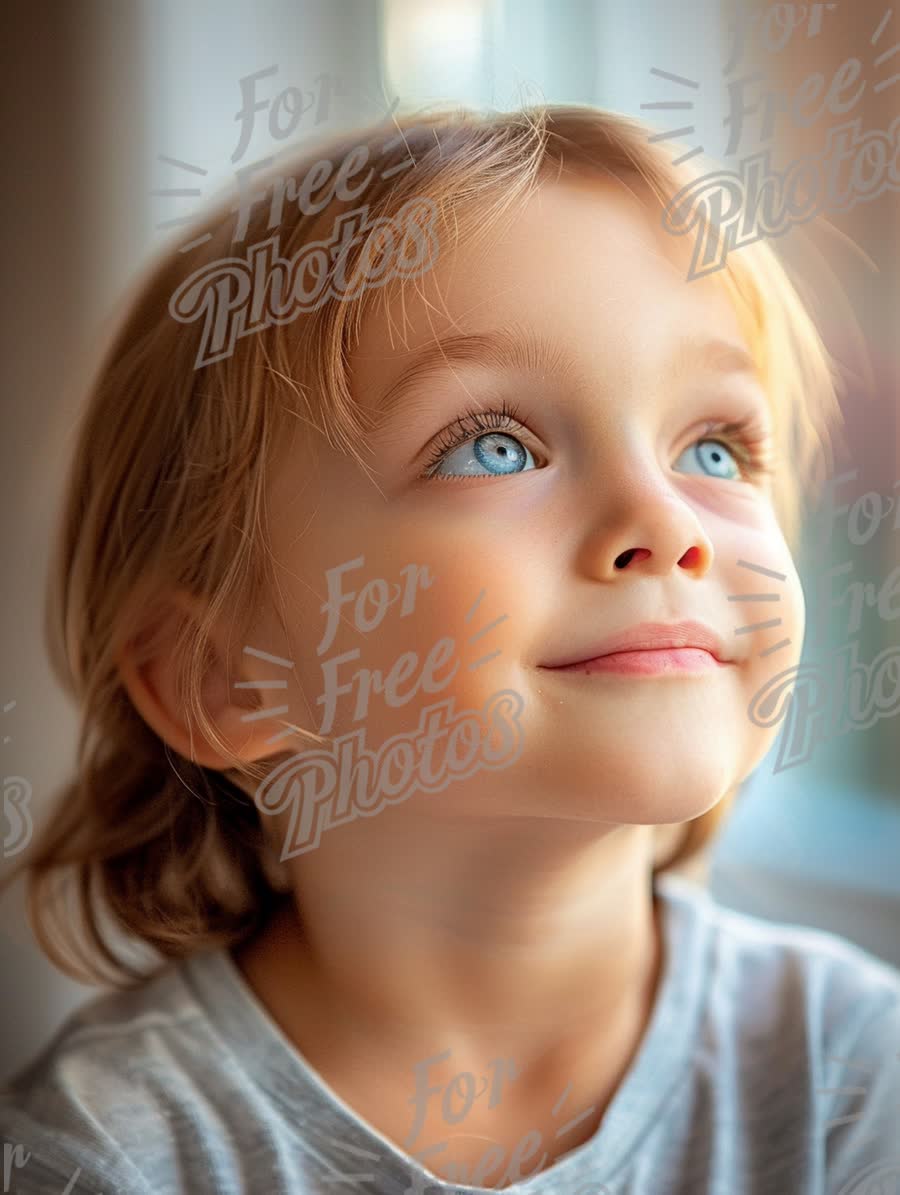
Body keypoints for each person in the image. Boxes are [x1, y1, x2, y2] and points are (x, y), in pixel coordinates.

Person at [1, 103, 898, 1195]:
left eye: (714, 443)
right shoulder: (101, 1153)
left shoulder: (856, 1075)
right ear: (226, 676)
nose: (668, 525)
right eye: (492, 446)